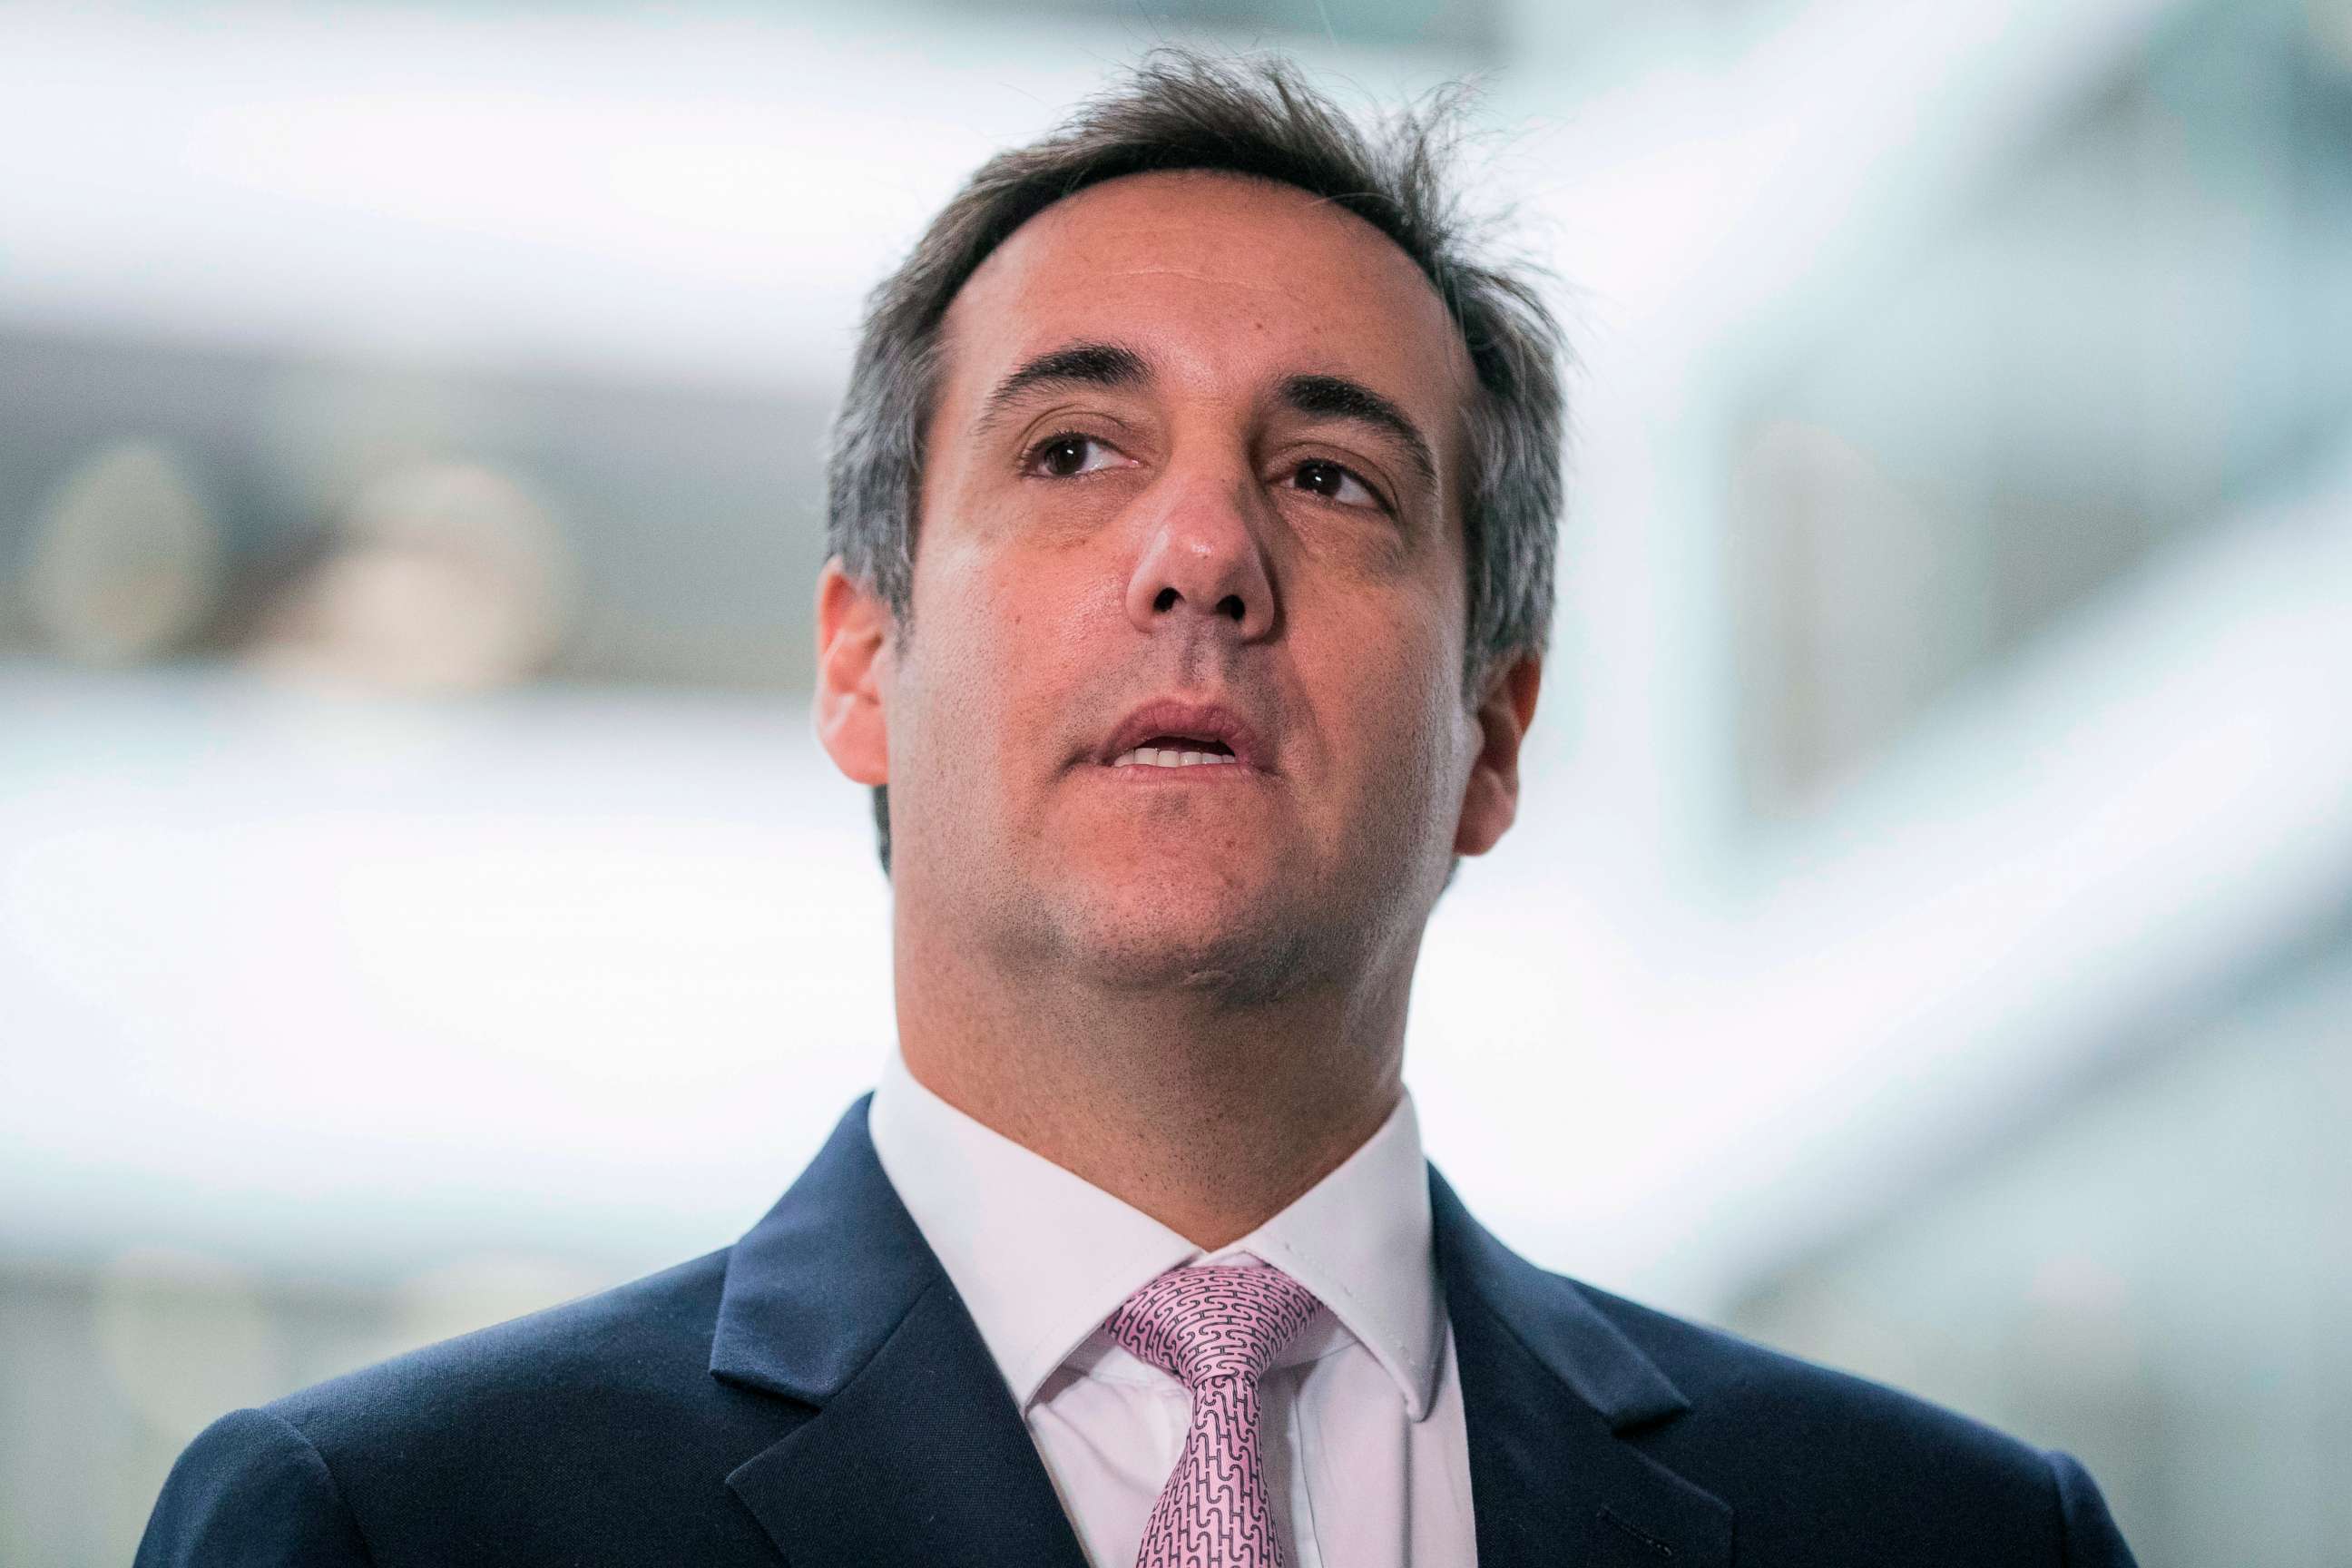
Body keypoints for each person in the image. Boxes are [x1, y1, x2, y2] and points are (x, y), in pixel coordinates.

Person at [137, 50, 2138, 1568]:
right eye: (1077, 448)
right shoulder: (392, 1530)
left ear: (1498, 732)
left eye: (1335, 478)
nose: (1203, 553)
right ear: (861, 662)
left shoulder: (1953, 1539)